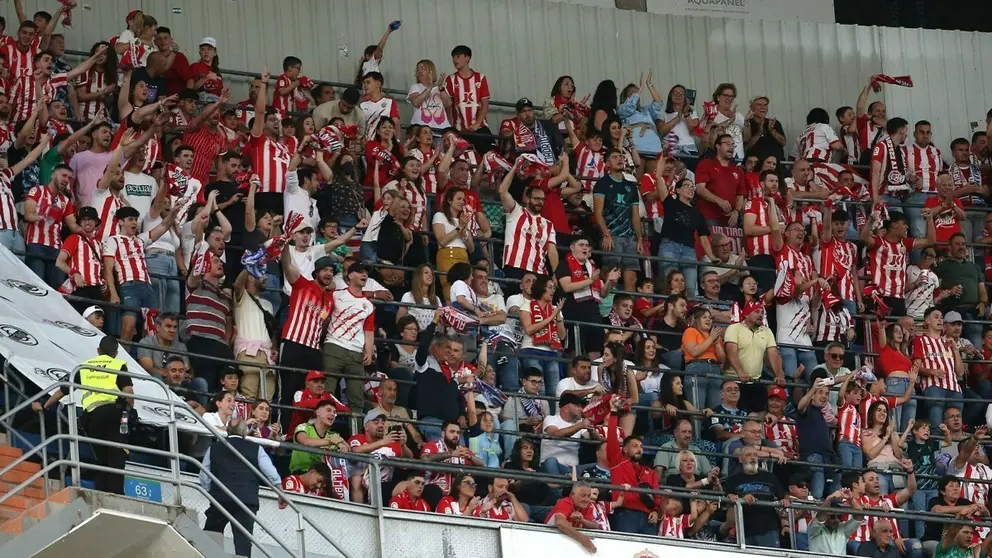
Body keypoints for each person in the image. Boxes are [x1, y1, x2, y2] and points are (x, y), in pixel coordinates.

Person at [33, 336, 133, 494]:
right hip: (115, 414)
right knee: (117, 455)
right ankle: (116, 494)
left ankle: (101, 492)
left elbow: (62, 390)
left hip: (93, 417)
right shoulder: (118, 364)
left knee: (99, 458)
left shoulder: (84, 367)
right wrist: (129, 412)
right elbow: (129, 392)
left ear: (98, 351)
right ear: (116, 353)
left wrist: (44, 405)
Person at [199, 418, 281, 557]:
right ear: (244, 431)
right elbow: (271, 473)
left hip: (220, 498)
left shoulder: (214, 447)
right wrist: (280, 492)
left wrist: (211, 491)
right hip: (246, 500)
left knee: (211, 536)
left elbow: (204, 475)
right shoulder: (256, 448)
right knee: (243, 542)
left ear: (228, 430)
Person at [593, 148, 643, 292]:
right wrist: (606, 234)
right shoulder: (602, 183)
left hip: (629, 237)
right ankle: (607, 309)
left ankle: (628, 310)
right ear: (607, 163)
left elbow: (635, 215)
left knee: (631, 278)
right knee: (611, 275)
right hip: (612, 235)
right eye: (615, 157)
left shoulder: (631, 187)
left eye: (621, 156)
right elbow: (597, 212)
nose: (620, 159)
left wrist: (639, 238)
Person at [724, 446, 790, 549]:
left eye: (755, 455)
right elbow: (728, 498)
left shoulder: (769, 477)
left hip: (768, 528)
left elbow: (784, 495)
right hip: (744, 530)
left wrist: (785, 500)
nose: (753, 458)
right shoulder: (733, 480)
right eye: (748, 455)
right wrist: (740, 499)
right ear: (741, 459)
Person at [547, 480, 597, 553]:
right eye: (583, 496)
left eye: (589, 496)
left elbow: (595, 525)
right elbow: (560, 522)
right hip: (551, 539)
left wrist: (583, 520)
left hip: (569, 542)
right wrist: (581, 538)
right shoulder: (565, 502)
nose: (586, 499)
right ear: (572, 495)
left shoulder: (587, 506)